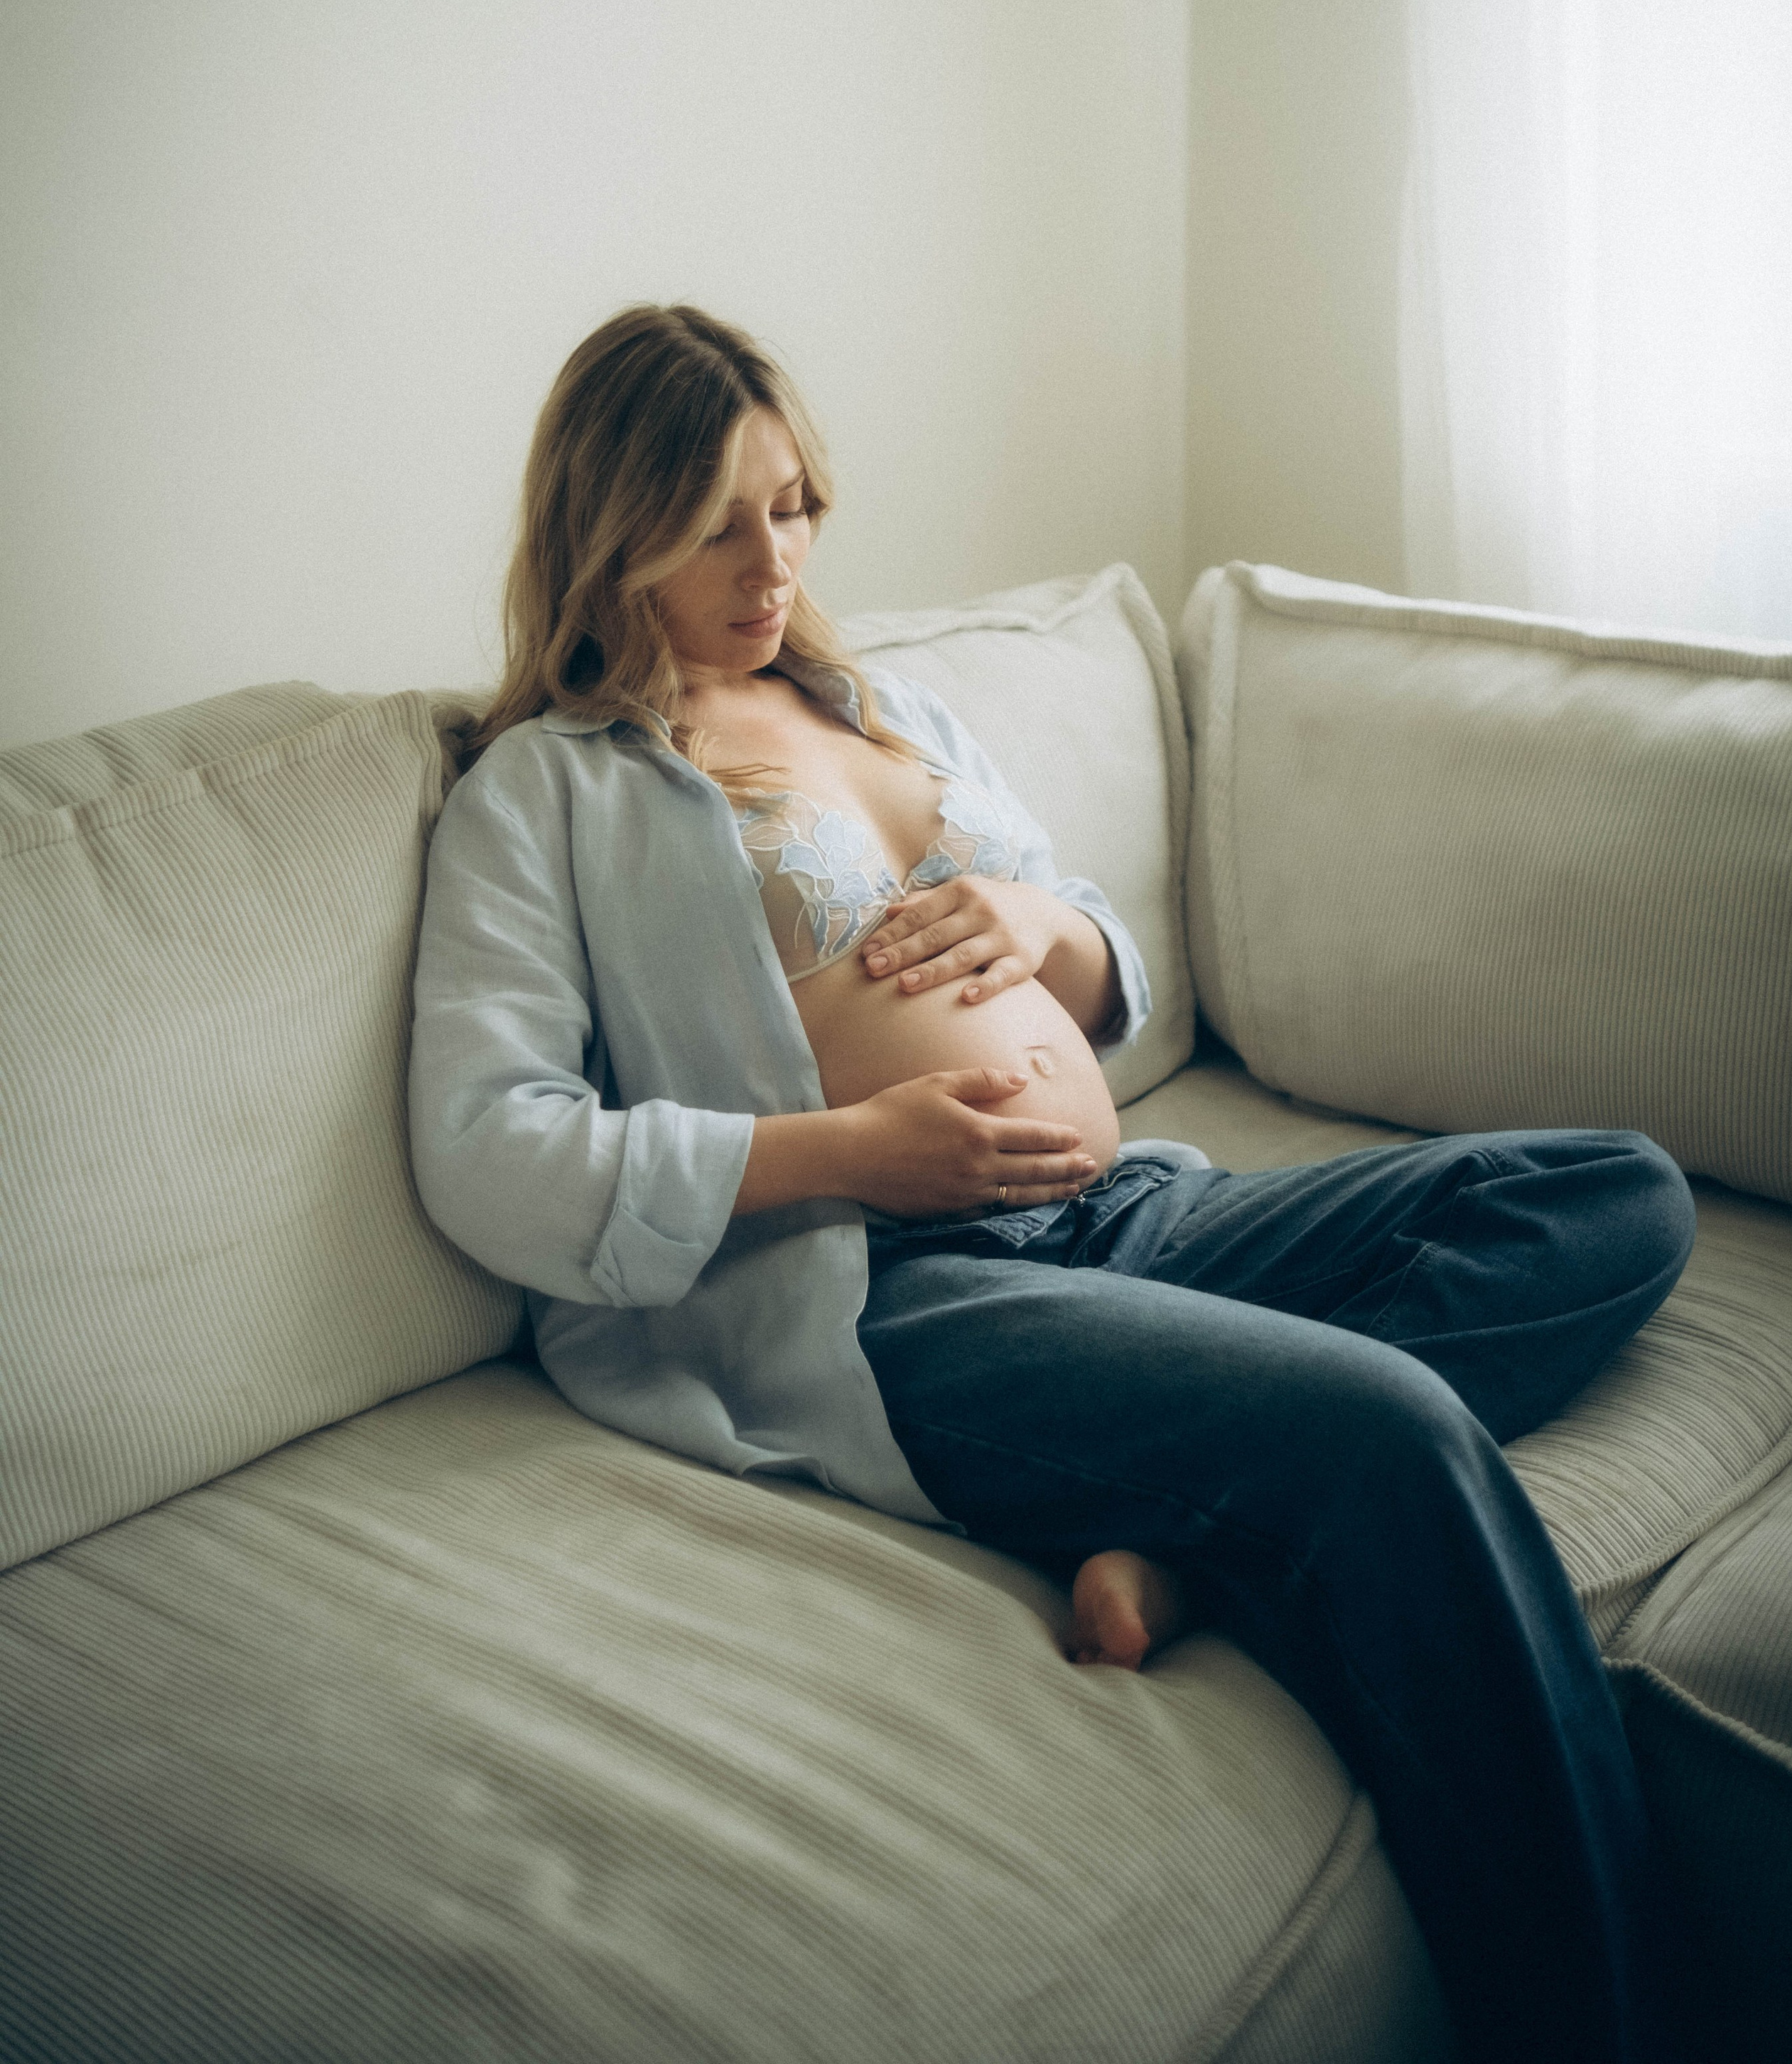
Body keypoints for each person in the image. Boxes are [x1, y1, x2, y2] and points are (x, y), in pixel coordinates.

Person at [410, 302, 1695, 2064]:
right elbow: (491, 1148)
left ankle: (1180, 1547)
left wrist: (1044, 925)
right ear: (608, 522)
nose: (771, 558)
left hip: (1123, 1213)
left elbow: (1107, 971)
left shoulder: (882, 710)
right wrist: (856, 1154)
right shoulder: (544, 795)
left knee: (1606, 1194)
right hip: (899, 1285)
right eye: (719, 520)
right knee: (1383, 1434)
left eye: (793, 507)